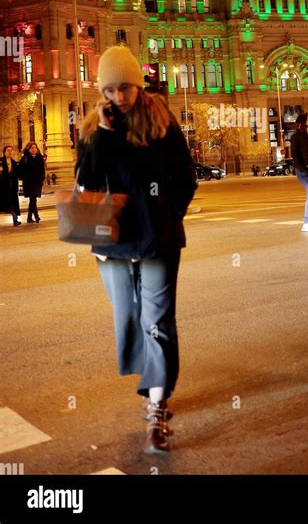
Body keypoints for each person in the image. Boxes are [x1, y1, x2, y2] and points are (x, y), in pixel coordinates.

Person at [76, 46, 197, 454]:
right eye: (109, 90)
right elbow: (87, 184)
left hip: (158, 238)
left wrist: (167, 214)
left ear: (137, 83)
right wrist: (104, 140)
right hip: (111, 241)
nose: (118, 97)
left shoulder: (161, 119)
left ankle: (157, 405)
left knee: (157, 321)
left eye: (124, 87)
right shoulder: (94, 128)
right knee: (128, 316)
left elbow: (185, 176)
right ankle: (150, 383)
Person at [19, 142, 45, 223]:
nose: (34, 149)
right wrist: (24, 178)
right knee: (33, 198)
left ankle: (29, 217)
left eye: (35, 148)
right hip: (28, 182)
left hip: (37, 182)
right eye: (32, 148)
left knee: (33, 199)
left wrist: (42, 178)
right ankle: (36, 216)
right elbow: (21, 170)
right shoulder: (25, 158)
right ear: (28, 149)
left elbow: (42, 170)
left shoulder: (39, 157)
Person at [0, 145, 21, 226]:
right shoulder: (1, 162)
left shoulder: (14, 163)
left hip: (12, 188)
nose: (10, 152)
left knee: (12, 204)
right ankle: (15, 219)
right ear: (4, 152)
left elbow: (17, 175)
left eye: (11, 150)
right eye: (8, 150)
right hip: (2, 187)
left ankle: (15, 220)